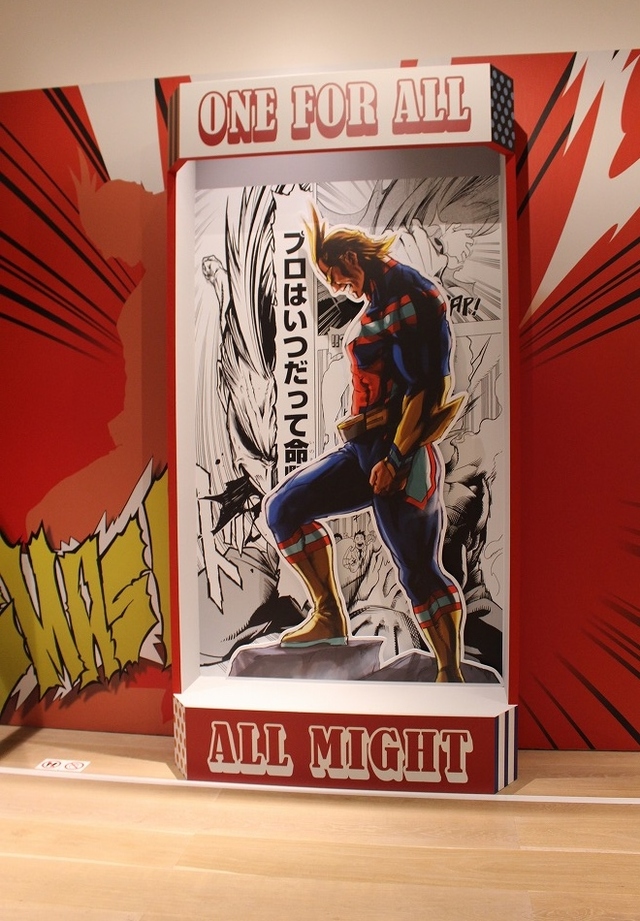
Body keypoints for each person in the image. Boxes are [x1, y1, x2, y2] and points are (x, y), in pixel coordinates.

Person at [264, 208, 466, 681]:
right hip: (364, 452)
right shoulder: (381, 298)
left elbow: (426, 390)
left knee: (418, 569)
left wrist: (396, 458)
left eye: (334, 275)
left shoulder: (409, 296)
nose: (336, 287)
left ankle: (450, 672)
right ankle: (329, 616)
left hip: (401, 456)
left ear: (351, 258)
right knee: (284, 509)